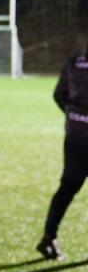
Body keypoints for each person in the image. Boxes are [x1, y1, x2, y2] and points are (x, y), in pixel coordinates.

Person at [37, 48, 88, 260]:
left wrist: (74, 117)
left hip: (75, 136)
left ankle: (48, 237)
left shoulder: (74, 62)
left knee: (67, 187)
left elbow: (59, 95)